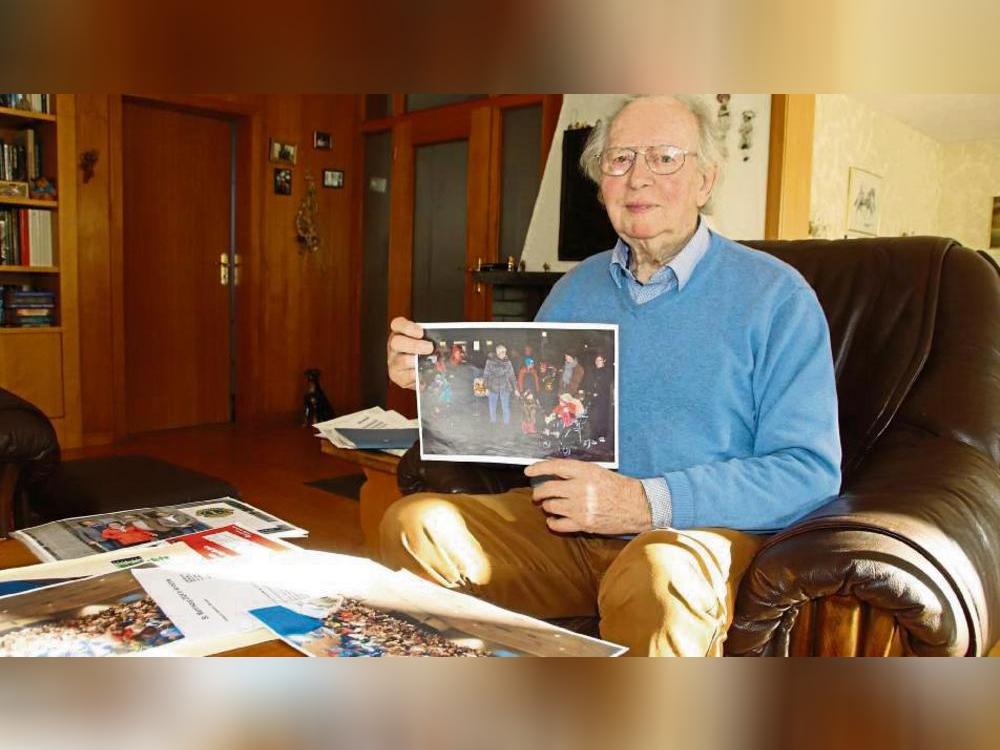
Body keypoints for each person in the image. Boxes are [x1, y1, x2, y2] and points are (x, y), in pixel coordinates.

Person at [384, 95, 841, 656]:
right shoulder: (574, 291)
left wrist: (646, 502)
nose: (638, 178)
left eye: (666, 157)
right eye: (619, 160)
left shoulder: (776, 296)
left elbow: (809, 471)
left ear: (706, 180)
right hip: (567, 532)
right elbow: (530, 420)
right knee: (416, 523)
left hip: (691, 536)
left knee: (657, 574)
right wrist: (436, 381)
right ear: (601, 185)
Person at [481, 344, 517, 426]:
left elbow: (512, 376)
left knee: (505, 406)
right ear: (497, 352)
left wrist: (516, 389)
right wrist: (486, 388)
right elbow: (486, 375)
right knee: (492, 405)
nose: (504, 353)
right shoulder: (490, 362)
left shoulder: (508, 363)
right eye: (501, 352)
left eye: (504, 352)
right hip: (493, 386)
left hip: (505, 387)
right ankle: (493, 422)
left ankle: (506, 423)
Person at [581, 352, 612, 442]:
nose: (598, 362)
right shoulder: (592, 372)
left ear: (604, 361)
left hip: (603, 398)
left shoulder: (607, 372)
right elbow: (588, 383)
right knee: (593, 417)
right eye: (596, 360)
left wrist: (598, 392)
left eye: (600, 360)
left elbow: (606, 385)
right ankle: (593, 436)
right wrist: (588, 391)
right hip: (593, 397)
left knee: (602, 417)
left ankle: (602, 435)